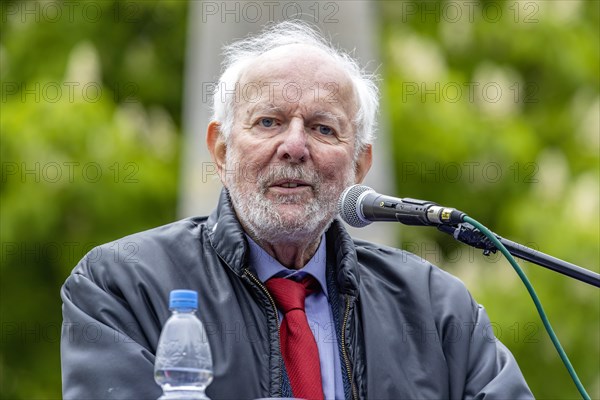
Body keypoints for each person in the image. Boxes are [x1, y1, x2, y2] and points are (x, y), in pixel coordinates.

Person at [60, 20, 533, 399]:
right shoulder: (120, 285)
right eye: (269, 122)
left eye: (324, 129)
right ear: (221, 151)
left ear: (359, 165)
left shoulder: (437, 308)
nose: (294, 146)